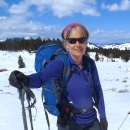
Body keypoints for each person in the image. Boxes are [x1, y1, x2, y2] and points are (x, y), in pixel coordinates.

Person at [9, 23, 108, 130]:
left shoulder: (90, 63)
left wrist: (102, 116)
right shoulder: (61, 62)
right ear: (66, 44)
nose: (77, 44)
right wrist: (26, 80)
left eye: (81, 40)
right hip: (69, 123)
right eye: (72, 40)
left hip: (92, 122)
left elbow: (97, 90)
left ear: (86, 42)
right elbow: (42, 77)